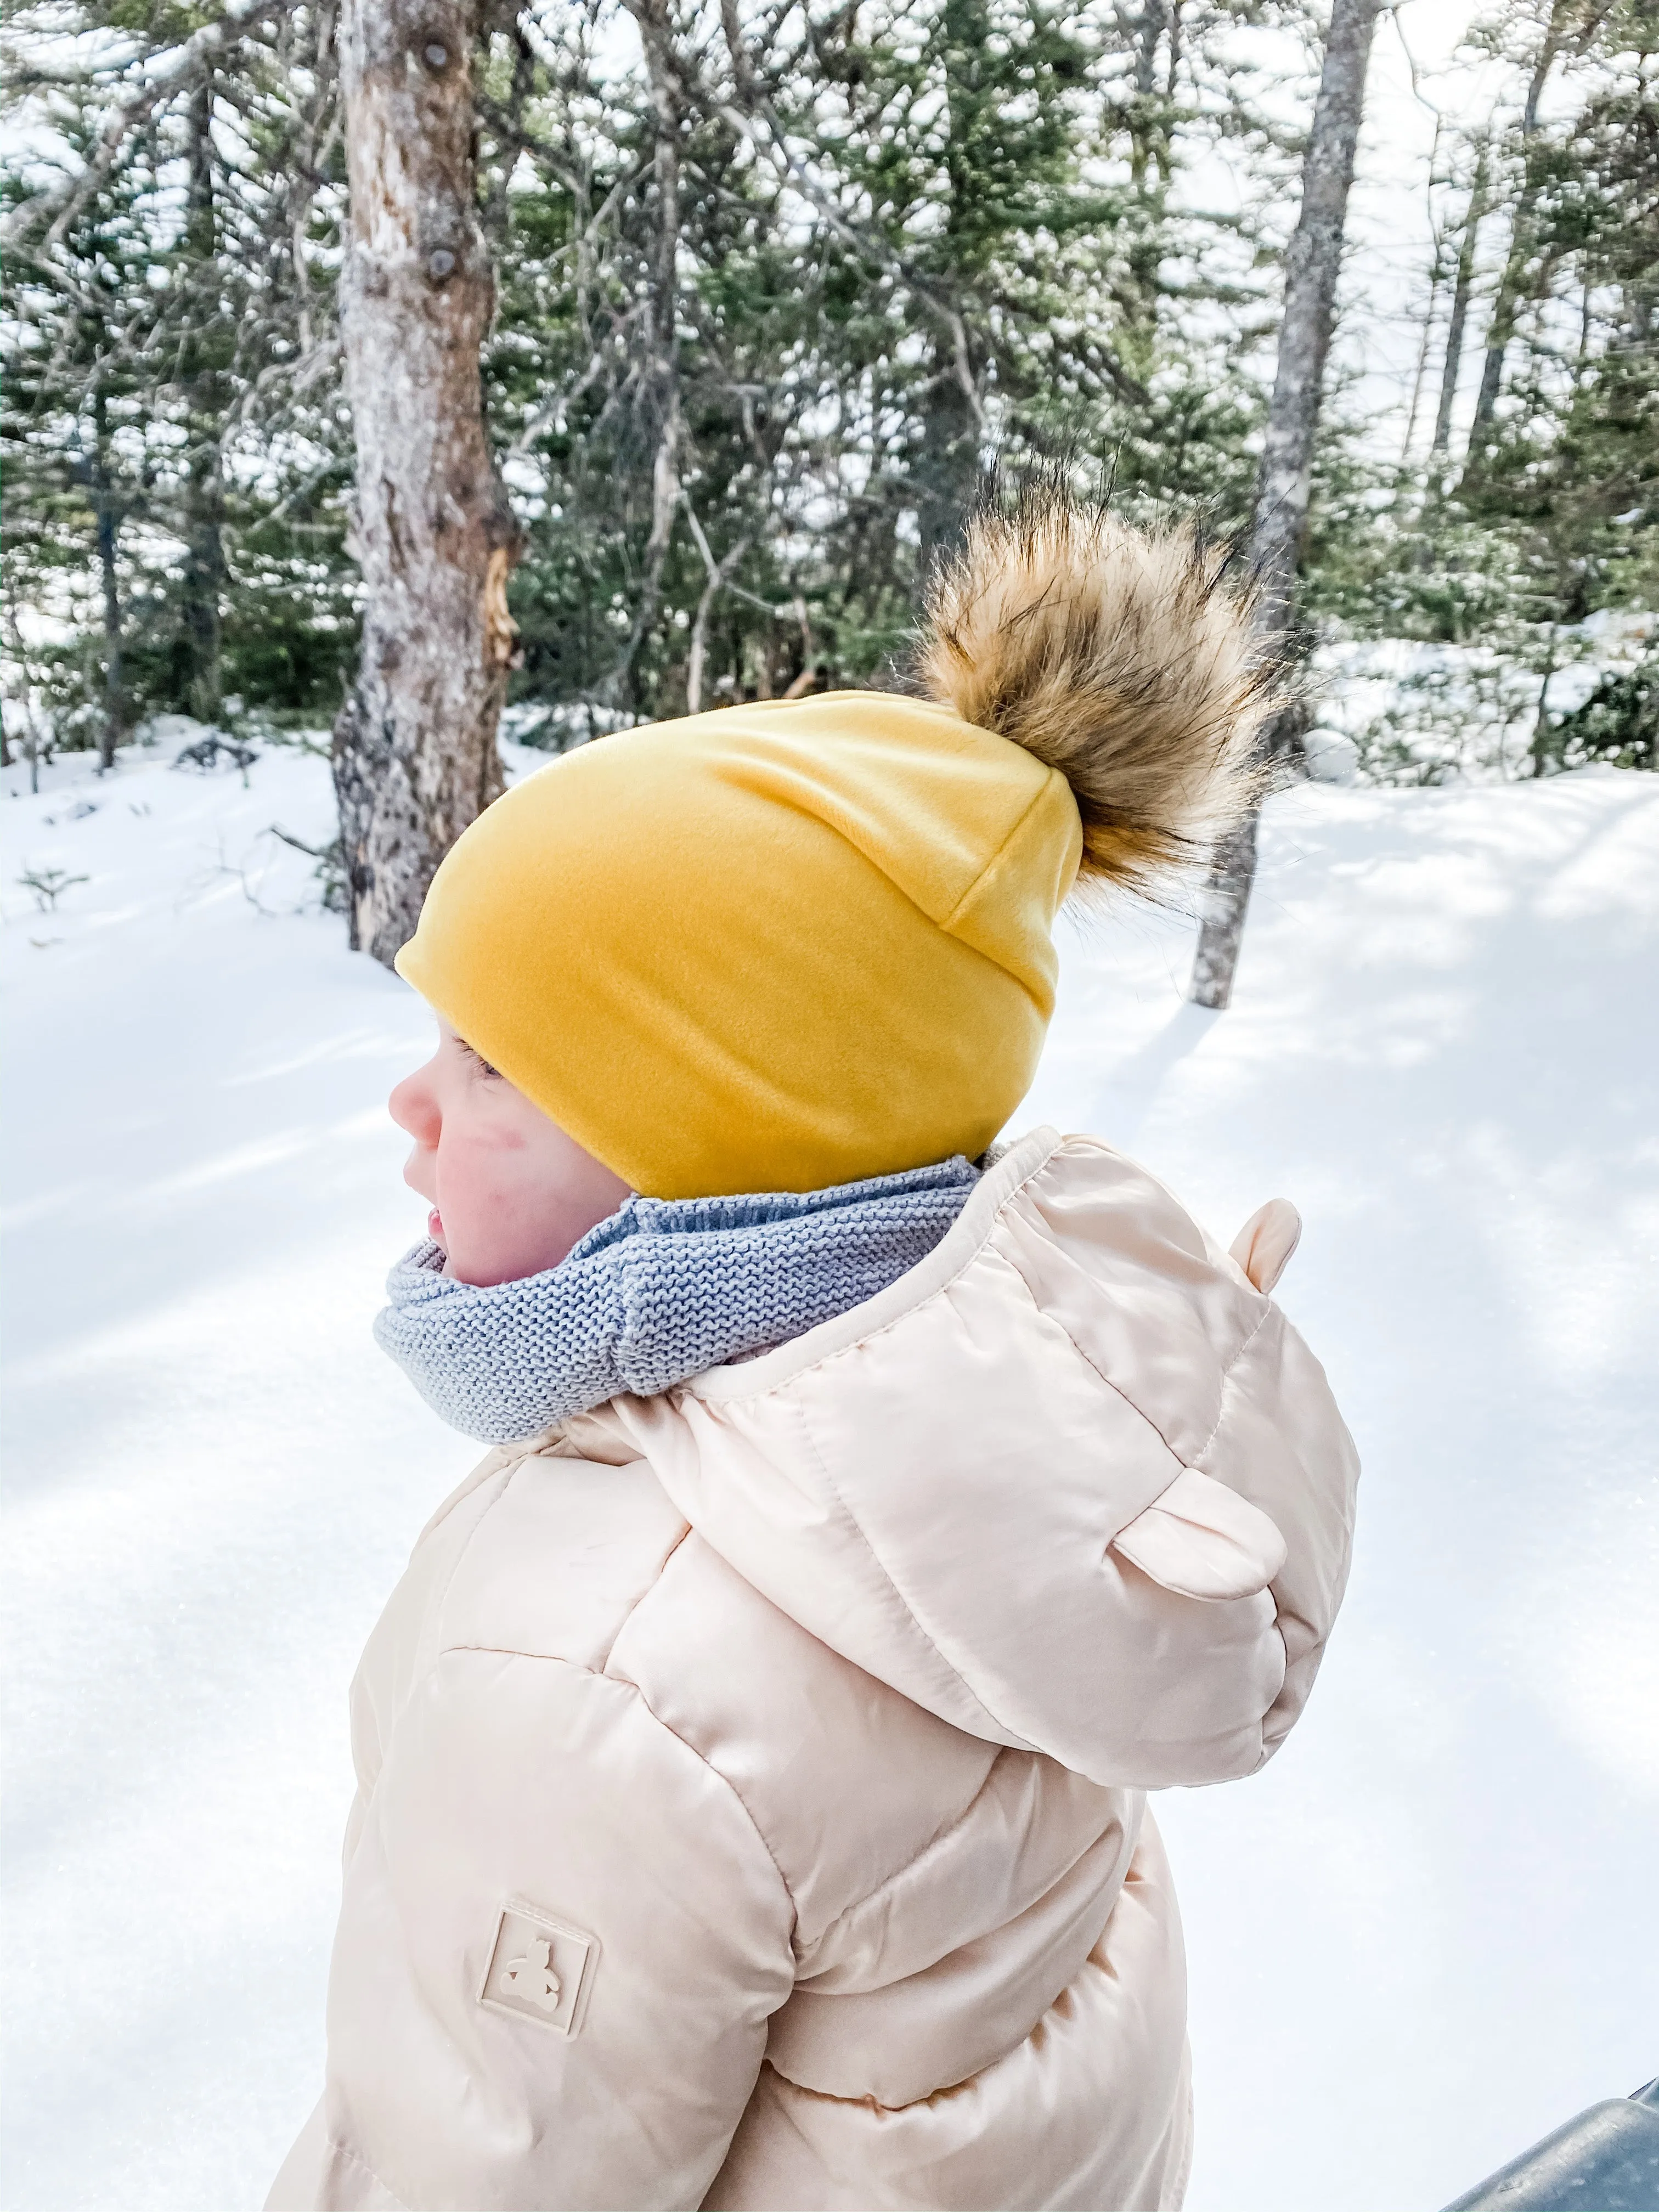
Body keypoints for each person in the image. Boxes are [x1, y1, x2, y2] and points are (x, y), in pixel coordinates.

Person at [267, 479, 1359, 2212]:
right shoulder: (1010, 1458)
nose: (409, 1103)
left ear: (716, 1144)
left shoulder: (611, 1669)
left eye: (493, 1064)